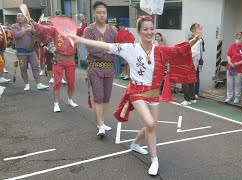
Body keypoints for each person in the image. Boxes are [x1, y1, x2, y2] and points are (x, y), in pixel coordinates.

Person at [69, 16, 202, 176]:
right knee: (151, 124)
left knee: (150, 126)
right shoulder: (130, 48)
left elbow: (180, 49)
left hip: (153, 94)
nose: (149, 32)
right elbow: (105, 45)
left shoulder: (159, 50)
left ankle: (135, 144)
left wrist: (196, 38)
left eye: (152, 29)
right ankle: (154, 160)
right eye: (145, 29)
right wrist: (80, 39)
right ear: (139, 32)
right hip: (136, 92)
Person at [31, 14, 87, 112]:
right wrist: (34, 23)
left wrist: (83, 21)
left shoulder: (74, 30)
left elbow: (83, 29)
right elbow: (43, 28)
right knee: (57, 83)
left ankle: (70, 100)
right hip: (59, 60)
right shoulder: (54, 29)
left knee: (71, 82)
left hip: (70, 61)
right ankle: (56, 103)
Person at [84, 1, 116, 137]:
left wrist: (111, 49)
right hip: (95, 67)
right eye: (99, 13)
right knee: (98, 96)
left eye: (104, 13)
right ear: (94, 13)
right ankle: (100, 125)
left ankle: (101, 121)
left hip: (109, 67)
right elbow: (90, 48)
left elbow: (117, 47)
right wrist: (107, 49)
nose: (102, 15)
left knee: (106, 97)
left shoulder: (112, 30)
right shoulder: (89, 30)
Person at [10, 13, 49, 91]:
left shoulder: (30, 25)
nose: (20, 17)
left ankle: (39, 84)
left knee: (35, 67)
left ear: (25, 18)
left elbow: (39, 34)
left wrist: (33, 29)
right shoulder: (14, 26)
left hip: (31, 51)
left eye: (22, 16)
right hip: (21, 52)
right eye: (18, 16)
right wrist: (26, 30)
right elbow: (16, 35)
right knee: (23, 69)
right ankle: (27, 84)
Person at [180, 24, 204, 106]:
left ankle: (187, 99)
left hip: (190, 63)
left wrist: (200, 62)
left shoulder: (198, 41)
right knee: (191, 81)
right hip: (193, 63)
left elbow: (196, 52)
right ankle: (192, 97)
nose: (192, 33)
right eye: (192, 31)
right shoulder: (197, 40)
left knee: (185, 82)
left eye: (194, 31)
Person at [225, 32, 242, 104]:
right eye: (236, 38)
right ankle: (229, 96)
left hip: (239, 68)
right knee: (229, 83)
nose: (237, 40)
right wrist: (230, 62)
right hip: (230, 67)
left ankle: (237, 97)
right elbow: (228, 55)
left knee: (238, 83)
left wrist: (239, 63)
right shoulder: (232, 45)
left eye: (239, 38)